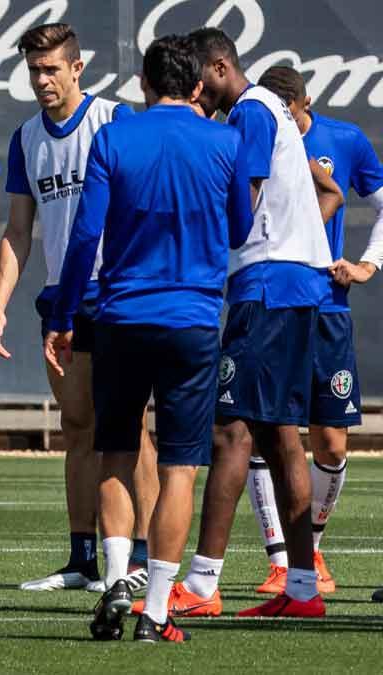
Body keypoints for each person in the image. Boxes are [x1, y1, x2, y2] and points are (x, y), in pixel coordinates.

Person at [47, 34, 253, 644]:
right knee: (180, 467)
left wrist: (62, 314)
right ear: (197, 86)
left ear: (143, 84)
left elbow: (85, 239)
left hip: (120, 318)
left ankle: (116, 577)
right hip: (191, 322)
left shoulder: (113, 137)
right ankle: (157, 609)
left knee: (114, 451)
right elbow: (241, 227)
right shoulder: (226, 140)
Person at [149, 27, 343, 620]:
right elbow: (322, 190)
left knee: (228, 432)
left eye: (197, 78)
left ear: (215, 68)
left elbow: (244, 203)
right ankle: (304, 590)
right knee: (278, 437)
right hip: (293, 284)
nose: (193, 91)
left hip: (270, 284)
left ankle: (203, 585)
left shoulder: (253, 109)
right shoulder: (267, 112)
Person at [0, 22, 159, 593]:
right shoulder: (26, 138)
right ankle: (83, 557)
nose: (41, 79)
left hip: (119, 298)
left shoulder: (115, 120)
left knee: (130, 429)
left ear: (77, 68)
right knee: (77, 426)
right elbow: (17, 231)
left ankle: (144, 558)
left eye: (51, 68)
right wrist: (1, 301)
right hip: (62, 302)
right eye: (34, 69)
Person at [244, 65, 383, 596]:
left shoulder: (343, 140)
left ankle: (313, 551)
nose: (282, 117)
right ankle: (281, 560)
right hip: (271, 302)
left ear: (305, 102)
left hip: (328, 307)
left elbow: (371, 202)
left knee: (329, 441)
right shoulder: (252, 130)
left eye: (291, 110)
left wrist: (367, 264)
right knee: (264, 432)